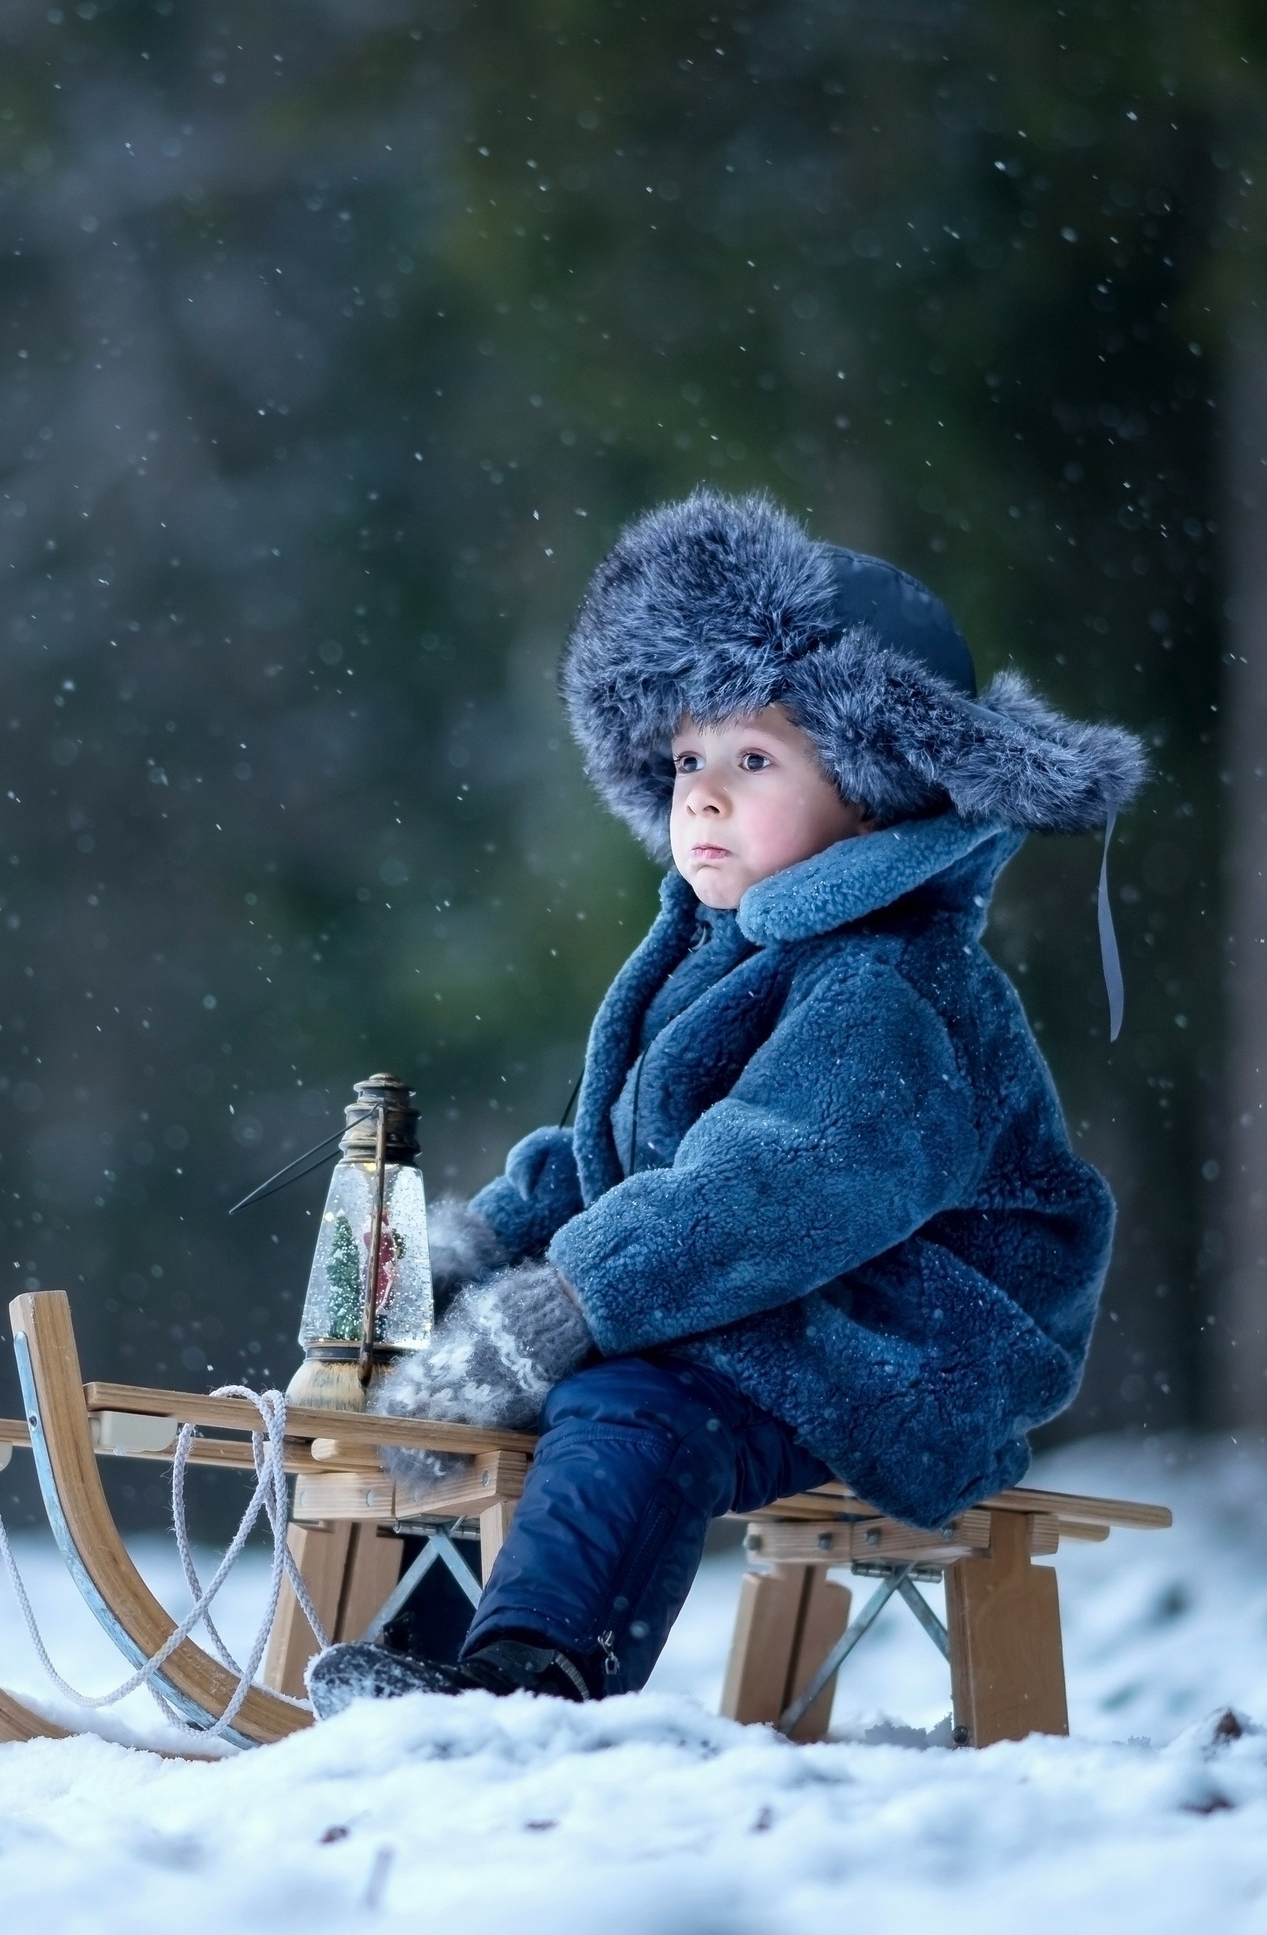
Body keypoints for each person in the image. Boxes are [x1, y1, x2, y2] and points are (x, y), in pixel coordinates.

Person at [307, 487, 1145, 1713]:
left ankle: (533, 1670)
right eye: (688, 758)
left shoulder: (890, 985)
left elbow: (775, 1179)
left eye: (752, 760)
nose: (699, 793)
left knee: (625, 1394)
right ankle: (418, 1651)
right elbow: (610, 1150)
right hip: (783, 1303)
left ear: (873, 788)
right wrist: (484, 1244)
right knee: (539, 1381)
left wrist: (565, 1299)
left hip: (907, 1338)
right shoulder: (717, 949)